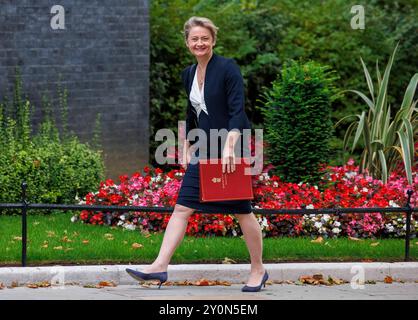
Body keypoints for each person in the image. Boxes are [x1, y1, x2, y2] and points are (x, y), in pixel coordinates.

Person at [126, 16, 268, 292]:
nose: (200, 43)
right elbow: (192, 113)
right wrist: (187, 145)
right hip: (203, 148)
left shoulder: (228, 68)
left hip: (230, 148)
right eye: (195, 39)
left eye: (205, 38)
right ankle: (159, 267)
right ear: (188, 43)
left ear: (213, 40)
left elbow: (238, 111)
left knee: (242, 212)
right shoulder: (189, 73)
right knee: (182, 207)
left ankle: (258, 269)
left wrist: (229, 148)